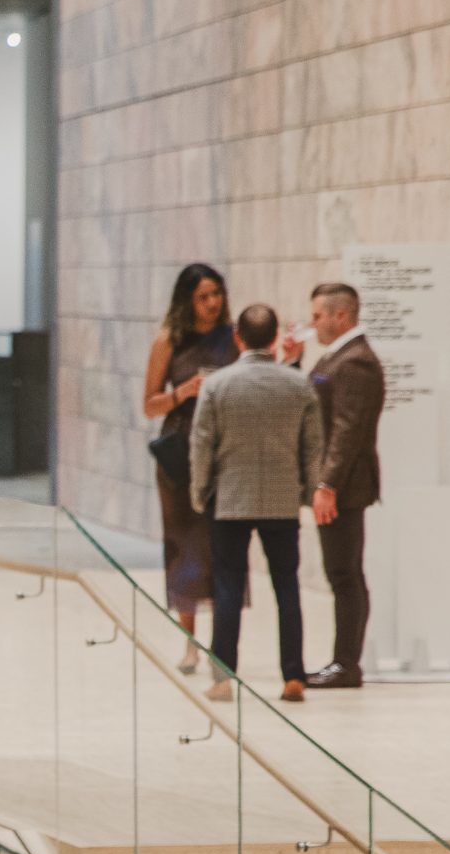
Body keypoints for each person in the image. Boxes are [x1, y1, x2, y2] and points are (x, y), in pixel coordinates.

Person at [189, 303, 324, 705]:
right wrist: (305, 490)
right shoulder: (298, 386)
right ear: (273, 337)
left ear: (238, 337)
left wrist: (200, 493)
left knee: (228, 584)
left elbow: (201, 446)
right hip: (282, 500)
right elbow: (312, 446)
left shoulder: (217, 385)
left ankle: (223, 676)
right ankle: (293, 675)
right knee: (287, 586)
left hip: (230, 499)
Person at [287, 281, 384, 689]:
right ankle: (343, 662)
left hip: (345, 489)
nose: (313, 323)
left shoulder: (355, 361)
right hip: (335, 487)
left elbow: (346, 431)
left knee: (345, 575)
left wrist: (327, 484)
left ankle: (347, 664)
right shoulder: (338, 357)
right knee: (339, 572)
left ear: (340, 315)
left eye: (318, 315)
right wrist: (293, 363)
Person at [143, 263, 234, 675]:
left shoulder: (232, 338)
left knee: (222, 547)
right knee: (184, 545)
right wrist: (183, 391)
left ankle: (222, 642)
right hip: (181, 453)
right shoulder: (169, 341)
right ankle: (190, 642)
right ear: (187, 301)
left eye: (216, 294)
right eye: (203, 297)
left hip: (224, 451)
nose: (212, 303)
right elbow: (149, 404)